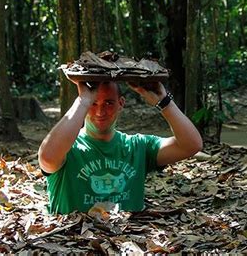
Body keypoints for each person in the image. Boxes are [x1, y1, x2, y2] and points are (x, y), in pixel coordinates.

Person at [38, 80, 203, 214]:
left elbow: (191, 145)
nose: (100, 111)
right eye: (93, 104)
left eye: (108, 103)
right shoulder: (67, 148)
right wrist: (83, 101)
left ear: (121, 103)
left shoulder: (137, 146)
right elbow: (47, 157)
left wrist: (164, 102)